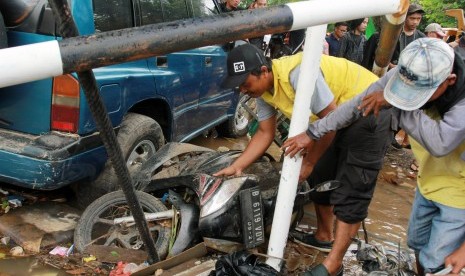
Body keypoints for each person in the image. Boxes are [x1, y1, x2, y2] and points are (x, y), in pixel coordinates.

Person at [283, 38, 465, 275]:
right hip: (429, 183)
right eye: (405, 88)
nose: (407, 93)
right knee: (418, 248)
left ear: (449, 81)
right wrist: (313, 132)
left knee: (440, 263)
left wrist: (396, 101)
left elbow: (440, 143)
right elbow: (357, 104)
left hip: (459, 196)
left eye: (418, 93)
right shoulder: (405, 75)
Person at [215, 43, 386, 276]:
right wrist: (237, 166)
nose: (244, 90)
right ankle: (324, 236)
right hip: (333, 118)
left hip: (369, 108)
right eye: (239, 87)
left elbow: (331, 120)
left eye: (245, 84)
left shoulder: (298, 75)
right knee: (319, 173)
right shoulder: (264, 90)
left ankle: (334, 263)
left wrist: (309, 161)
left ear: (263, 71)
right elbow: (265, 132)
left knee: (352, 186)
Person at [389, 3, 425, 68]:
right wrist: (390, 65)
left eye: (418, 19)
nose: (415, 22)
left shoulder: (422, 38)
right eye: (412, 18)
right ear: (405, 17)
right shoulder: (393, 34)